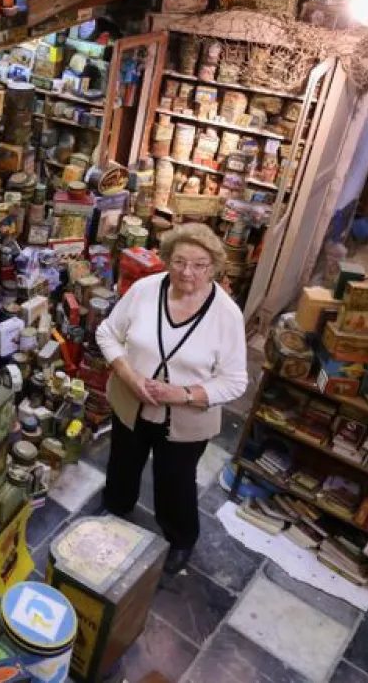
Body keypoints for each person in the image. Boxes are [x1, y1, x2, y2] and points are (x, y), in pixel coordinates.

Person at [95, 222, 248, 574]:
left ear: (213, 268)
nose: (187, 272)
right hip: (131, 402)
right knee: (122, 462)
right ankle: (116, 507)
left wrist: (184, 394)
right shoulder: (145, 289)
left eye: (199, 265)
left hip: (185, 420)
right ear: (167, 259)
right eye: (179, 261)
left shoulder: (227, 315)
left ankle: (180, 539)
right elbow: (108, 332)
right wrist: (128, 375)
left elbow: (235, 381)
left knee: (175, 481)